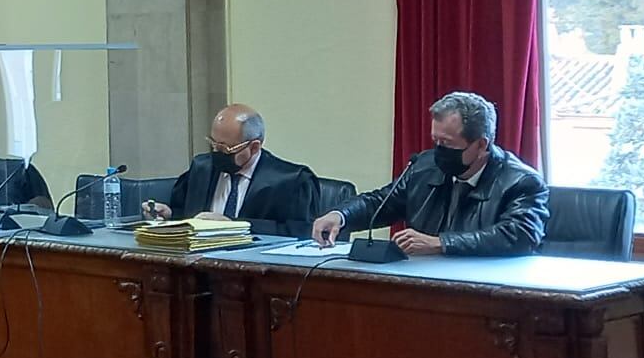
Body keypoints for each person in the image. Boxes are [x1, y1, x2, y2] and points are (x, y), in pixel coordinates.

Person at [311, 90, 548, 256]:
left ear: (481, 145)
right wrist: (341, 215)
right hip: (424, 283)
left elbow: (519, 235)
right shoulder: (425, 167)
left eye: (448, 143)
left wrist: (442, 243)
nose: (439, 151)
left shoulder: (522, 182)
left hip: (487, 291)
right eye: (435, 140)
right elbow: (380, 202)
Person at [144, 104, 318, 233]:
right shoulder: (202, 169)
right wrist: (169, 215)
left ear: (254, 147)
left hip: (255, 270)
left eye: (226, 149)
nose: (216, 153)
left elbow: (299, 232)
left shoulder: (291, 181)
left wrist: (233, 225)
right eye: (213, 144)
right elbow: (185, 213)